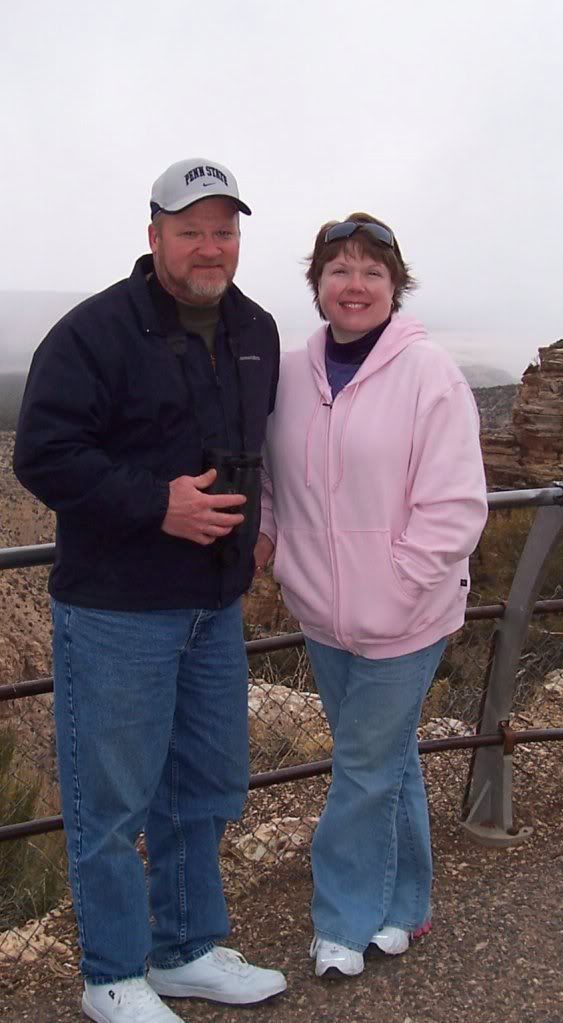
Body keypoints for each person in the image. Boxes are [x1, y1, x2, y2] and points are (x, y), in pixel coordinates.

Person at [13, 158, 286, 1023]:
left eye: (224, 228)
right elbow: (43, 455)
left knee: (202, 784)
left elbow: (256, 443)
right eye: (190, 228)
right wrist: (156, 503)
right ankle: (110, 975)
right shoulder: (94, 332)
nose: (210, 245)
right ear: (154, 235)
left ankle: (185, 950)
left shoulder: (258, 329)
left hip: (215, 604)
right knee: (114, 795)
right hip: (116, 609)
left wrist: (260, 521)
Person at [255, 213, 488, 978]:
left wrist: (395, 591)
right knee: (391, 758)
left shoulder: (430, 376)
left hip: (408, 616)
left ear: (396, 286)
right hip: (321, 612)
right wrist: (277, 547)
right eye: (339, 271)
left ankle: (342, 921)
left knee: (360, 764)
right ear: (318, 286)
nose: (355, 285)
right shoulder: (288, 375)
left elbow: (454, 506)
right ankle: (406, 905)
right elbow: (266, 480)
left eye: (371, 272)